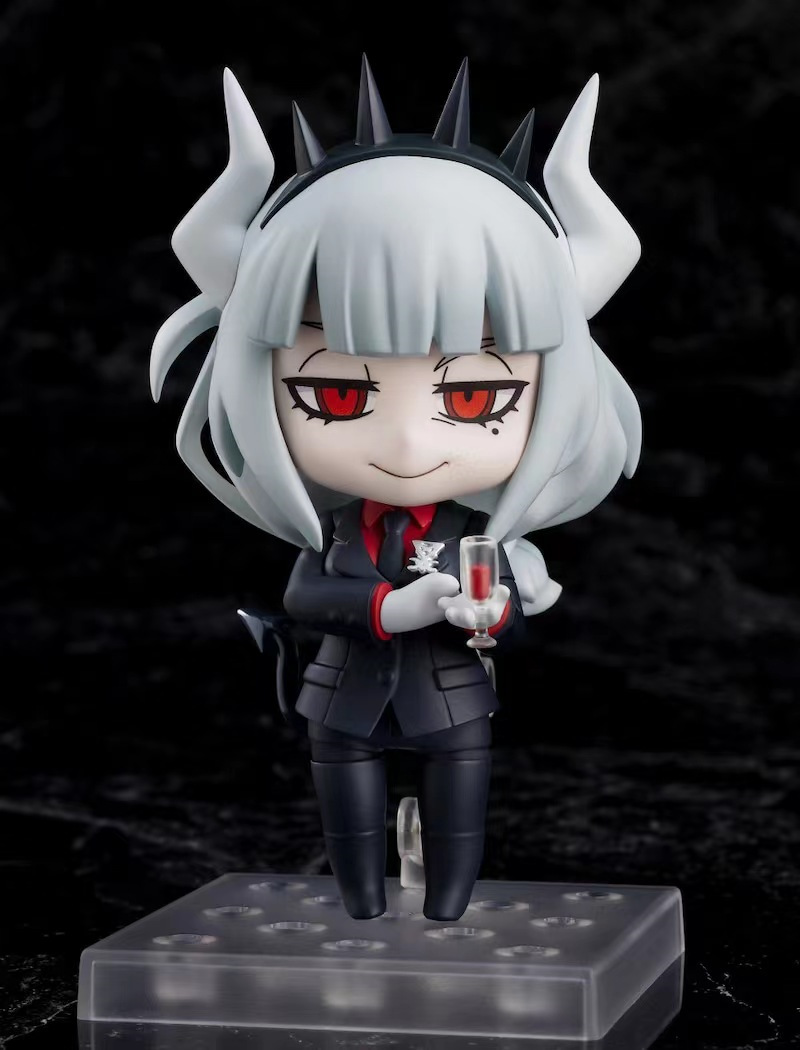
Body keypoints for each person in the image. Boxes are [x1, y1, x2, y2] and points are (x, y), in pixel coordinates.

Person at [150, 56, 642, 921]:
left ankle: (448, 908)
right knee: (350, 835)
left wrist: (499, 608)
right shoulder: (336, 533)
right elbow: (307, 593)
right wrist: (394, 609)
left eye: (474, 398)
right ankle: (362, 908)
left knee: (458, 823)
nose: (410, 443)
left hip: (454, 703)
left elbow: (503, 623)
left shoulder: (475, 537)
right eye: (338, 396)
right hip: (340, 700)